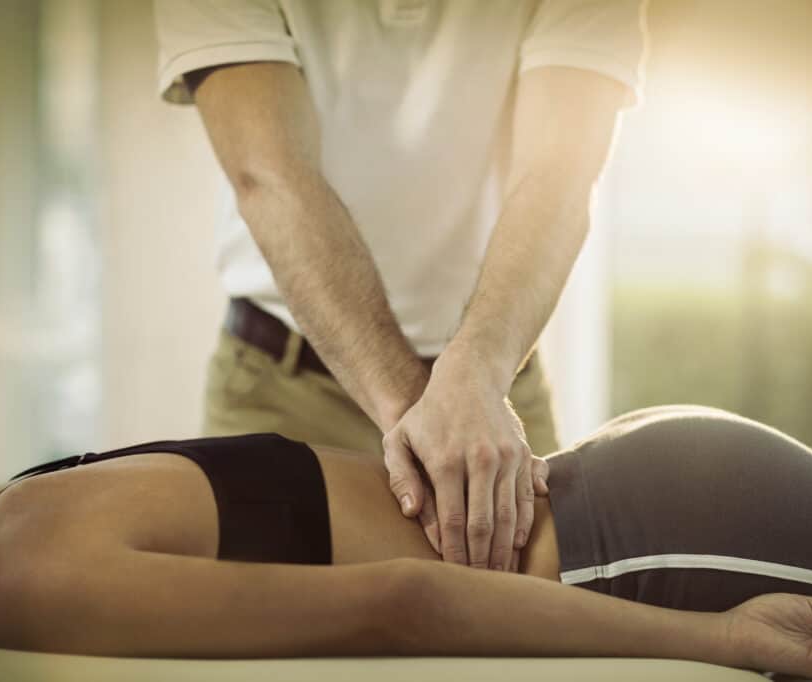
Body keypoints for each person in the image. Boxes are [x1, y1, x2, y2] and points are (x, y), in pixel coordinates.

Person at [154, 0, 647, 571]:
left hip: (494, 400)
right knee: (261, 643)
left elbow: (560, 174)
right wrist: (431, 425)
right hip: (283, 390)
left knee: (530, 646)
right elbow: (268, 173)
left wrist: (476, 384)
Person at [0, 406, 812, 673]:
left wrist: (726, 641)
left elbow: (399, 602)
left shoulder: (30, 568)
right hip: (635, 477)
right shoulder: (15, 500)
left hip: (645, 542)